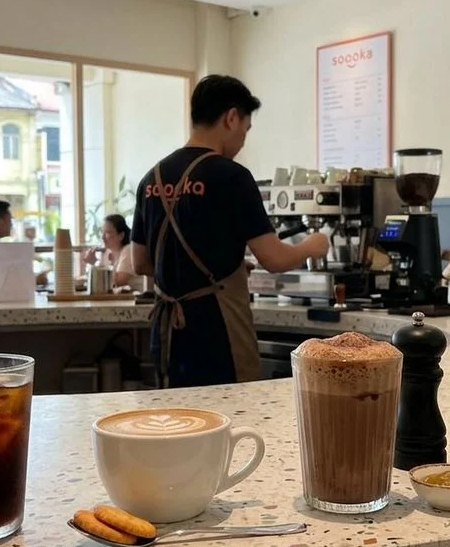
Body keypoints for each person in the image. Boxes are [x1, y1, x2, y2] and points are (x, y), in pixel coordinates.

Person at [130, 74, 329, 388]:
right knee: (232, 419)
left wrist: (221, 264)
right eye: (246, 130)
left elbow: (140, 264)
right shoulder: (232, 176)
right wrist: (312, 246)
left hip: (168, 334)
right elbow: (274, 259)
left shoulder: (150, 179)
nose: (243, 141)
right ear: (231, 117)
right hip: (216, 331)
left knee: (178, 423)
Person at [83, 214, 137, 289]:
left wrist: (93, 263)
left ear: (121, 235)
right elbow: (98, 285)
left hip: (132, 298)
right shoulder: (106, 253)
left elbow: (118, 282)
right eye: (102, 232)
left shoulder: (128, 250)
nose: (102, 237)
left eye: (107, 233)